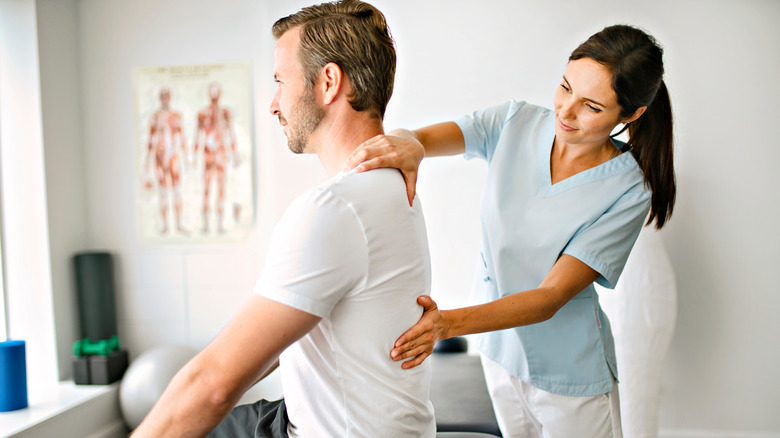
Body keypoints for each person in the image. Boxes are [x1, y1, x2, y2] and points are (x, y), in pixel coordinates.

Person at [347, 24, 676, 438]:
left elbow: (550, 296)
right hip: (500, 355)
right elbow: (423, 138)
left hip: (568, 374)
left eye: (591, 106)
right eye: (564, 87)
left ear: (631, 115)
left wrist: (445, 324)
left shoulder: (628, 189)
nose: (565, 111)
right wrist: (409, 142)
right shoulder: (515, 122)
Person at [131, 1, 435, 437]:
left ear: (328, 82)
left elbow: (214, 385)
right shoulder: (394, 185)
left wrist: (223, 374)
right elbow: (282, 336)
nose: (274, 105)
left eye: (280, 82)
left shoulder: (336, 209)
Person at [193, 82, 239, 234]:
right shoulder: (202, 113)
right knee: (206, 189)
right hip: (208, 153)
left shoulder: (225, 113)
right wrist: (194, 155)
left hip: (220, 153)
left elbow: (231, 134)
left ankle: (219, 225)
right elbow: (198, 135)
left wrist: (235, 154)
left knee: (221, 189)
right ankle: (206, 225)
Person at [144, 87, 188, 235]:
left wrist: (186, 157)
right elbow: (150, 138)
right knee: (163, 192)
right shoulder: (155, 116)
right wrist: (148, 159)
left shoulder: (176, 116)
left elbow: (181, 137)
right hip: (159, 157)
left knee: (177, 191)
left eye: (167, 96)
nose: (165, 99)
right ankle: (164, 225)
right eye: (162, 96)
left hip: (173, 157)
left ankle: (179, 223)